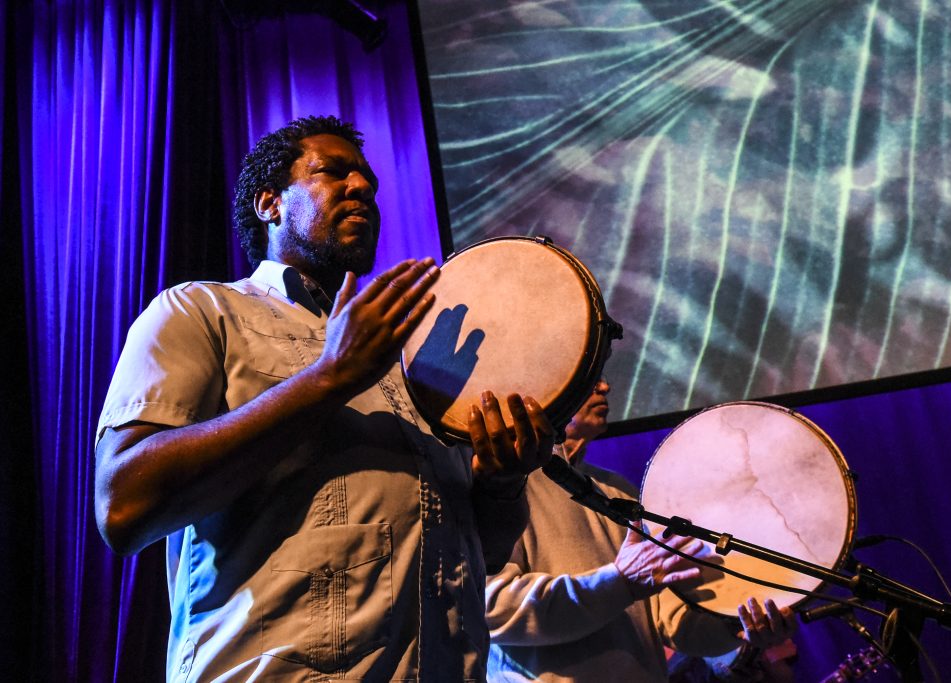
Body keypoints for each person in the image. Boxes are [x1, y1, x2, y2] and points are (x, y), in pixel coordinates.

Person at [93, 115, 554, 681]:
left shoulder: (414, 363)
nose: (362, 187)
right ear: (270, 204)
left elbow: (476, 554)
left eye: (367, 180)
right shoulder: (201, 311)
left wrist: (502, 484)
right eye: (333, 173)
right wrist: (328, 378)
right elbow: (124, 506)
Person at [484, 380, 798, 682]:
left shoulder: (619, 492)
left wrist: (736, 626)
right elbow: (494, 608)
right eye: (591, 378)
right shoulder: (505, 487)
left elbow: (672, 622)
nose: (604, 387)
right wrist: (619, 582)